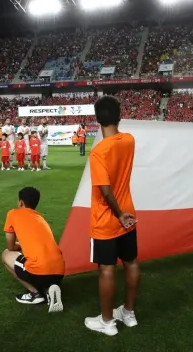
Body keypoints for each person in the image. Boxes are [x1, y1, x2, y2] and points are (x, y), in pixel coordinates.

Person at [84, 96, 139, 336]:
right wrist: (124, 215)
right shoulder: (129, 140)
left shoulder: (98, 152)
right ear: (120, 116)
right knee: (131, 263)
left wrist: (118, 214)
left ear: (97, 120)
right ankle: (128, 313)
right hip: (129, 216)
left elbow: (105, 191)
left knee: (107, 270)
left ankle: (107, 323)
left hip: (108, 219)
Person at [1, 186, 64, 313]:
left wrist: (17, 246)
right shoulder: (40, 218)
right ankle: (48, 291)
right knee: (39, 262)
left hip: (39, 271)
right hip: (59, 272)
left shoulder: (13, 213)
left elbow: (10, 246)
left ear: (21, 202)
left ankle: (35, 294)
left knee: (6, 254)